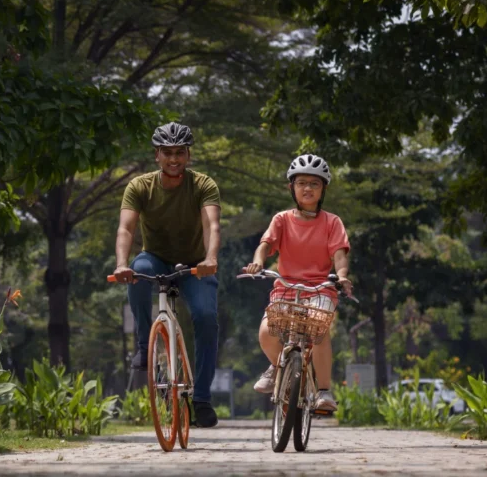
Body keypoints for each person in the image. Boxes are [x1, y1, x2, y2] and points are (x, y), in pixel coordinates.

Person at [114, 122, 222, 428]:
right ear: (157, 156)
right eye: (167, 153)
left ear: (188, 155)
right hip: (156, 259)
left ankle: (200, 398)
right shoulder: (139, 187)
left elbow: (212, 225)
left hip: (194, 264)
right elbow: (126, 228)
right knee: (137, 271)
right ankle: (143, 345)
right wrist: (122, 263)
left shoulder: (203, 185)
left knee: (205, 318)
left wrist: (210, 258)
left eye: (179, 153)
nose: (173, 159)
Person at [243, 153, 353, 412]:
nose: (307, 188)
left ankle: (324, 391)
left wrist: (343, 275)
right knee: (267, 332)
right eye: (301, 182)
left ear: (323, 188)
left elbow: (340, 254)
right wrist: (258, 262)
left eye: (314, 184)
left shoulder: (332, 221)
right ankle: (278, 365)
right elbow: (265, 245)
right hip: (285, 286)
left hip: (320, 288)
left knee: (319, 329)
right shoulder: (282, 219)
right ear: (291, 187)